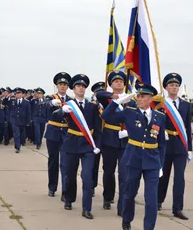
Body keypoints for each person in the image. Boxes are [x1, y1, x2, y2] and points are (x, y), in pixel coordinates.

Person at [101, 82, 166, 230]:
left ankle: (148, 227)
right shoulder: (129, 112)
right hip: (133, 158)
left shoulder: (160, 116)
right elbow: (106, 116)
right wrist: (116, 102)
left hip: (152, 161)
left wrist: (161, 164)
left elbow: (162, 143)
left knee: (151, 199)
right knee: (129, 193)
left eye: (143, 96)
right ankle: (127, 219)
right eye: (138, 96)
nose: (139, 98)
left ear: (150, 99)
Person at [59, 74, 102, 220]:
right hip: (71, 143)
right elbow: (54, 117)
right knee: (70, 175)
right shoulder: (68, 105)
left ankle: (86, 208)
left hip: (88, 146)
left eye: (83, 86)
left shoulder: (92, 106)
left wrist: (97, 145)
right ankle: (69, 199)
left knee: (88, 177)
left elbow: (98, 128)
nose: (81, 88)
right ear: (73, 89)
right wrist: (61, 111)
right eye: (78, 86)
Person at [95, 71, 136, 214]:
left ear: (125, 84)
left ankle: (122, 203)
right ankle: (108, 197)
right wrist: (116, 97)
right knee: (109, 171)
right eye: (115, 81)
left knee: (124, 173)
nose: (119, 83)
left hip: (126, 140)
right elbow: (99, 94)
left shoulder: (131, 100)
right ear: (111, 84)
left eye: (121, 81)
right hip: (110, 139)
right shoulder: (107, 99)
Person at [158, 73, 192, 220]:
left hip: (180, 146)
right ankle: (158, 200)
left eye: (176, 85)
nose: (174, 87)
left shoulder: (185, 105)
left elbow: (188, 127)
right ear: (166, 87)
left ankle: (177, 208)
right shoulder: (161, 104)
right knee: (162, 176)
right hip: (165, 145)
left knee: (179, 178)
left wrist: (189, 148)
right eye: (171, 85)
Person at [44, 72, 72, 200]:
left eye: (65, 84)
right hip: (53, 132)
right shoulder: (50, 98)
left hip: (66, 134)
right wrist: (51, 103)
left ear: (67, 86)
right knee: (53, 161)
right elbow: (44, 105)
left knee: (65, 163)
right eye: (60, 84)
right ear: (57, 85)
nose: (62, 86)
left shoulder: (71, 100)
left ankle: (65, 191)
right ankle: (52, 187)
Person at [6, 88, 32, 153]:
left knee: (22, 134)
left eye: (19, 93)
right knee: (16, 134)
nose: (18, 95)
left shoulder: (26, 102)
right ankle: (17, 147)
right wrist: (7, 96)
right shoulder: (12, 101)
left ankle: (21, 142)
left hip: (22, 120)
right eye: (16, 94)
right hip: (14, 120)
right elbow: (4, 103)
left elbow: (28, 112)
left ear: (22, 94)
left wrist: (28, 121)